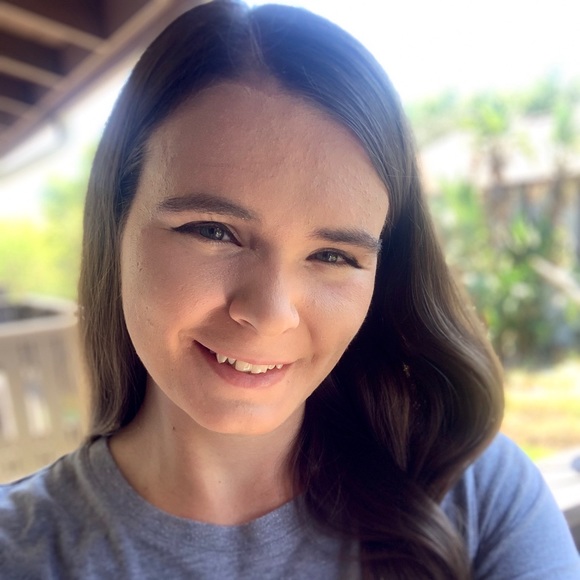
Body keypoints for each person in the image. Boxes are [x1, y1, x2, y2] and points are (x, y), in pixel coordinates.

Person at [1, 1, 579, 578]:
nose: (271, 312)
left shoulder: (472, 494)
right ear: (116, 225)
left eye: (333, 255)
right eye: (213, 230)